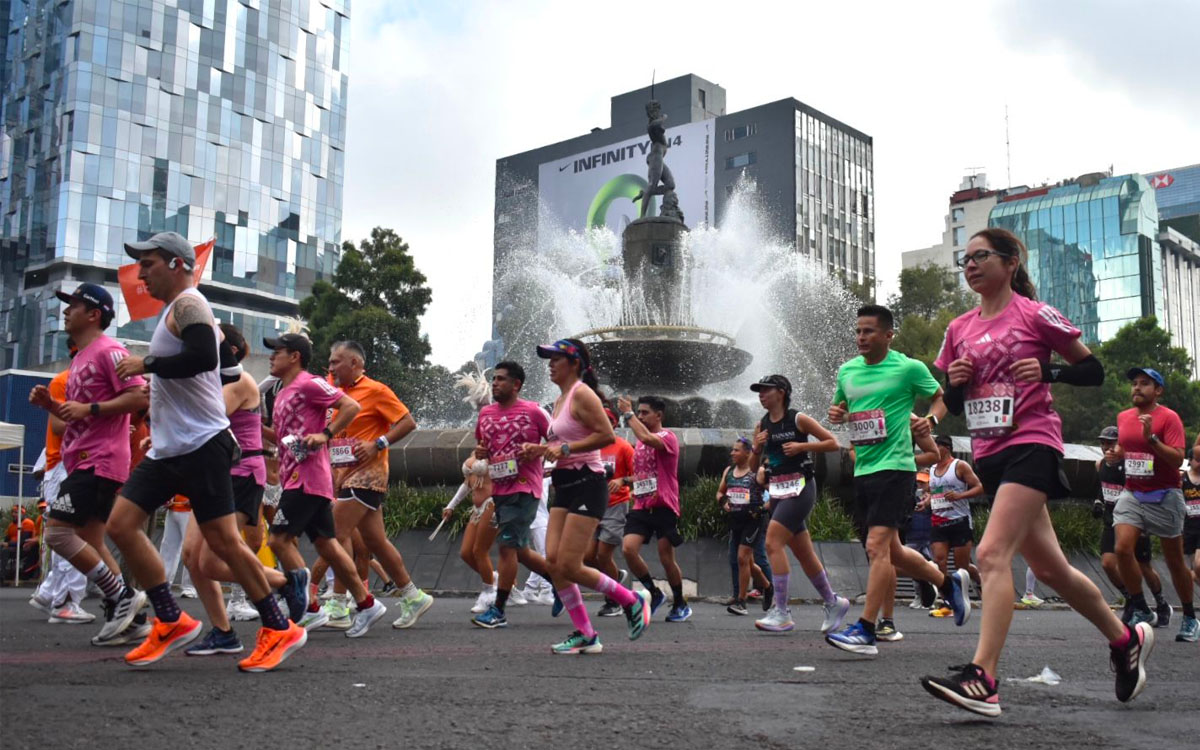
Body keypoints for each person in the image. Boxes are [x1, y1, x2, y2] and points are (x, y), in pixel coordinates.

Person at [921, 228, 1150, 716]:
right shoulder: (959, 327)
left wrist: (1050, 372)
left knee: (991, 553)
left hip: (1034, 443)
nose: (970, 266)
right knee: (1050, 569)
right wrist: (953, 389)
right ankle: (1124, 640)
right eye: (964, 261)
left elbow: (1094, 370)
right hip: (991, 451)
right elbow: (957, 400)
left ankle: (984, 677)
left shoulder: (1032, 313)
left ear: (1009, 262)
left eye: (980, 256)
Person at [109, 232, 304, 672]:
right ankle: (171, 619)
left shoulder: (189, 304)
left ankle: (278, 627)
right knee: (121, 524)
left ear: (178, 264)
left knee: (224, 546)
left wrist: (148, 365)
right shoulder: (174, 314)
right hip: (169, 450)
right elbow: (220, 364)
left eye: (149, 264)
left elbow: (200, 357)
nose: (141, 273)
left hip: (202, 447)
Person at [825, 305, 966, 657]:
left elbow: (941, 397)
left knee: (876, 548)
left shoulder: (908, 368)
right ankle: (948, 583)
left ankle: (868, 629)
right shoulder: (847, 371)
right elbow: (841, 409)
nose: (861, 337)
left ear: (888, 335)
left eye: (869, 331)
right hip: (864, 470)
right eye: (858, 331)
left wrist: (930, 422)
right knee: (892, 552)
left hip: (896, 469)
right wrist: (837, 413)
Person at [28, 283, 151, 646]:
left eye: (74, 305)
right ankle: (134, 620)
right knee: (92, 541)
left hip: (98, 460)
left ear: (94, 314)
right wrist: (51, 406)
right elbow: (76, 418)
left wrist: (90, 408)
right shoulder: (80, 358)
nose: (66, 311)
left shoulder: (110, 351)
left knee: (57, 533)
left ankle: (121, 597)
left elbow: (138, 396)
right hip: (84, 457)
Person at [519, 339, 650, 654]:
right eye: (548, 359)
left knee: (570, 564)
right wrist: (540, 450)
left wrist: (564, 449)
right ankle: (586, 634)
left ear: (574, 363)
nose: (550, 364)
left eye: (556, 358)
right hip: (564, 483)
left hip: (587, 483)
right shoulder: (561, 398)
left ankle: (632, 601)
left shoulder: (582, 393)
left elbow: (606, 435)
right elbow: (563, 441)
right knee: (553, 562)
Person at [261, 332, 389, 639]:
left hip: (305, 479)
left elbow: (350, 406)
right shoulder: (281, 393)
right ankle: (366, 603)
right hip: (299, 477)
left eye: (277, 351)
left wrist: (325, 435)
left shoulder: (309, 382)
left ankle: (307, 608)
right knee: (327, 545)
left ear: (295, 356)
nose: (271, 356)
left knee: (278, 540)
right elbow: (281, 437)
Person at [183, 326, 290, 654]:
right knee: (192, 557)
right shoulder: (209, 380)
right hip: (215, 474)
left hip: (242, 473)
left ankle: (286, 583)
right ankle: (223, 631)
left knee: (213, 561)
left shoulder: (239, 382)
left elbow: (205, 418)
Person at [325, 341, 432, 630]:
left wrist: (378, 444)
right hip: (346, 476)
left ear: (355, 364)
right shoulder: (336, 396)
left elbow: (408, 422)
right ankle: (413, 595)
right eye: (330, 362)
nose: (331, 367)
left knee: (333, 534)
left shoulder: (376, 390)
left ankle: (339, 604)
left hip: (368, 476)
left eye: (336, 362)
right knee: (375, 543)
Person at [747, 374, 850, 634]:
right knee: (804, 554)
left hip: (801, 488)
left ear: (781, 392)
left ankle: (781, 611)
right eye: (759, 391)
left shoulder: (798, 418)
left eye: (766, 390)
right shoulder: (761, 425)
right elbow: (751, 468)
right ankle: (833, 601)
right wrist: (756, 450)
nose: (761, 395)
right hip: (779, 491)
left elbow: (832, 443)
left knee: (772, 543)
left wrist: (802, 447)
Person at [470, 361, 557, 629]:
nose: (494, 383)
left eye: (501, 379)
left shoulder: (534, 412)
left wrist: (538, 451)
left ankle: (499, 610)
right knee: (519, 550)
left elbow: (558, 442)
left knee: (506, 547)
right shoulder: (485, 414)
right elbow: (481, 446)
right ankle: (563, 583)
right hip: (499, 490)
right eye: (494, 378)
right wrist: (481, 454)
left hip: (525, 488)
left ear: (516, 385)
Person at [1112, 367, 1195, 641]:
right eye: (1134, 383)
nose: (1137, 388)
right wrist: (1117, 454)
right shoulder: (1123, 417)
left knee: (1174, 561)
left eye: (1144, 384)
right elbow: (1128, 447)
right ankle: (1140, 607)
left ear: (1157, 390)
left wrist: (1152, 439)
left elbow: (1176, 459)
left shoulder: (1168, 418)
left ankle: (1190, 617)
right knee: (1122, 549)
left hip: (1165, 494)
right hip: (1133, 493)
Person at [28, 346, 92, 624]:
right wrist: (100, 417)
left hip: (71, 464)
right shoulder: (64, 380)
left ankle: (50, 592)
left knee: (68, 532)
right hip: (65, 465)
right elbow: (58, 426)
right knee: (73, 534)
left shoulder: (78, 382)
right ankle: (66, 601)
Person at [618, 395, 690, 622]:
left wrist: (628, 414)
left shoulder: (667, 437)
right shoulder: (639, 442)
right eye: (638, 412)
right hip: (641, 505)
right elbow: (643, 473)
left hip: (664, 506)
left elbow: (648, 438)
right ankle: (654, 592)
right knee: (628, 549)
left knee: (666, 557)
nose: (640, 416)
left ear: (659, 415)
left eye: (644, 413)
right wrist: (625, 481)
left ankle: (680, 603)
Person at [1092, 425, 1168, 623]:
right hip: (1111, 521)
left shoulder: (1130, 466)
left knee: (1143, 566)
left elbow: (1144, 491)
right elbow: (1104, 488)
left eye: (1111, 443)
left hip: (1134, 522)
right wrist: (1098, 502)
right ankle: (1132, 601)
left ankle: (1161, 603)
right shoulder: (1100, 465)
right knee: (1108, 563)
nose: (1106, 448)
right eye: (1103, 443)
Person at [587, 408, 634, 618]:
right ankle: (616, 576)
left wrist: (622, 481)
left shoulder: (623, 447)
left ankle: (613, 600)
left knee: (603, 554)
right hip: (592, 505)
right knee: (588, 556)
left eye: (606, 420)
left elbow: (640, 474)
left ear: (614, 424)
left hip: (616, 505)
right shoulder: (589, 447)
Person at [717, 437, 771, 616]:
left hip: (753, 521)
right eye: (732, 450)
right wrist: (723, 501)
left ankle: (741, 601)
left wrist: (762, 508)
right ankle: (767, 586)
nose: (732, 453)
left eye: (736, 450)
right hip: (735, 520)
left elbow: (775, 492)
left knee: (742, 558)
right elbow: (720, 492)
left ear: (748, 453)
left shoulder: (758, 472)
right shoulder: (729, 471)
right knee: (745, 561)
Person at [927, 434, 983, 603]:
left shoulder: (960, 466)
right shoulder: (931, 469)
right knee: (939, 561)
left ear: (946, 448)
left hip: (959, 521)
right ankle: (947, 599)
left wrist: (960, 495)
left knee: (962, 567)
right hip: (939, 521)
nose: (934, 450)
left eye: (937, 446)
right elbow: (934, 493)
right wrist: (925, 502)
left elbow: (979, 487)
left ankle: (980, 581)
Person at [442, 457, 498, 613]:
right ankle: (493, 578)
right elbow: (467, 484)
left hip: (491, 504)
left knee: (479, 551)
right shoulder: (478, 448)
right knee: (466, 553)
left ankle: (489, 594)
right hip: (477, 508)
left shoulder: (496, 449)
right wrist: (451, 506)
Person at [158, 495, 196, 597]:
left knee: (190, 547)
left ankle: (189, 586)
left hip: (189, 509)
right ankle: (163, 583)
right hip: (174, 507)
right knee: (167, 546)